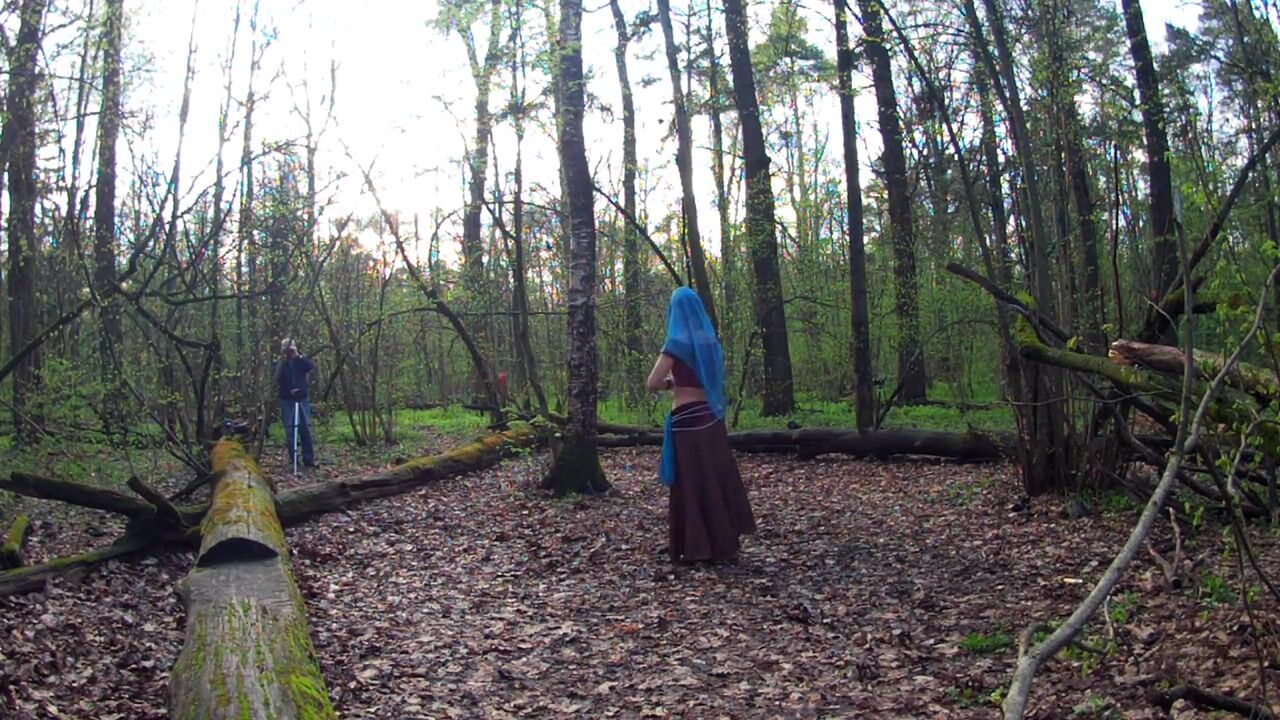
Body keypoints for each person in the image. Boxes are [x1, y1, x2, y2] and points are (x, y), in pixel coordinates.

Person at [646, 287, 756, 563]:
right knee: (714, 479)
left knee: (690, 482)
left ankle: (694, 546)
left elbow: (652, 383)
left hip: (686, 421)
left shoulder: (676, 343)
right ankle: (722, 543)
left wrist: (671, 384)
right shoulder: (710, 341)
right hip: (711, 419)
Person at [273, 337, 316, 468]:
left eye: (290, 347)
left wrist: (297, 355)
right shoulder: (280, 363)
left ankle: (309, 460)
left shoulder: (300, 361)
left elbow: (309, 367)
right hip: (287, 400)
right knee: (290, 430)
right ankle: (294, 459)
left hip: (302, 398)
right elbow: (275, 379)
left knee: (305, 428)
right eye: (287, 348)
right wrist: (289, 391)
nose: (289, 351)